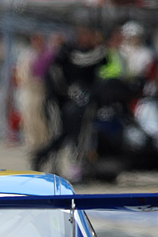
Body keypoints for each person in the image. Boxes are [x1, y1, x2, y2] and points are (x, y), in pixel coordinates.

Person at [31, 27, 107, 176]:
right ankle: (47, 162)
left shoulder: (71, 55)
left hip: (67, 104)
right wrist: (67, 93)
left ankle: (52, 162)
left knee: (68, 135)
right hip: (55, 102)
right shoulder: (64, 55)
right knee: (58, 133)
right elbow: (58, 79)